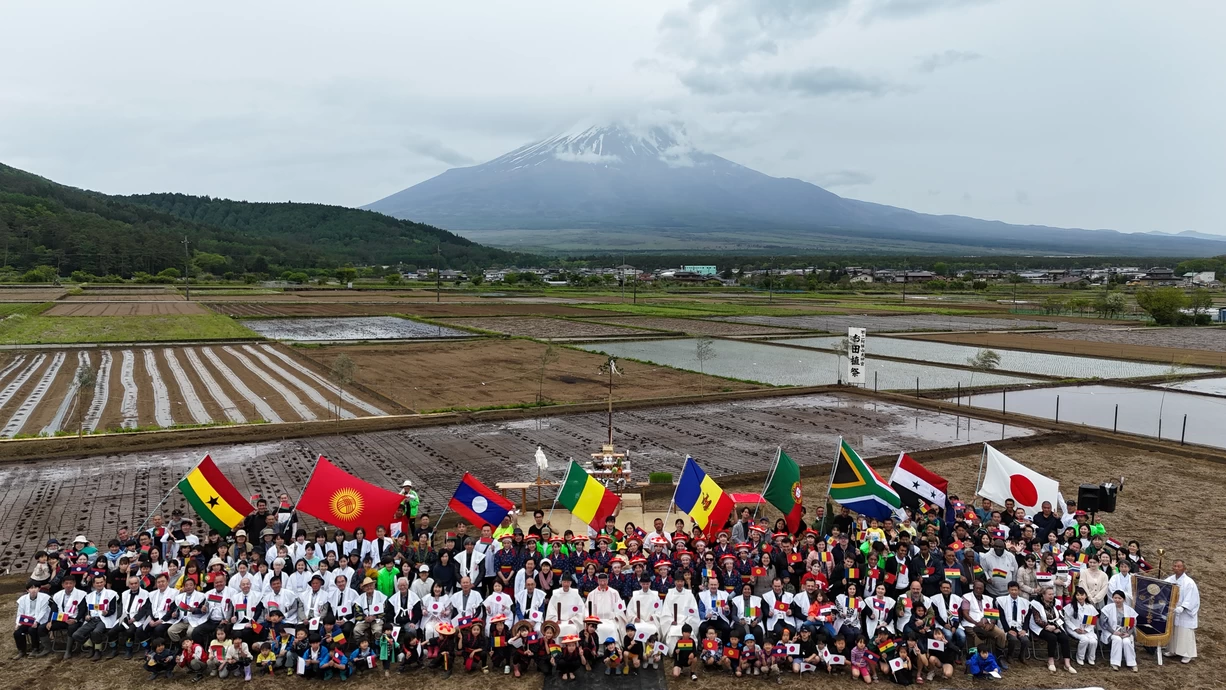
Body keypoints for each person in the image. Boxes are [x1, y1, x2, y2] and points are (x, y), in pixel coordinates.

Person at [1166, 559, 1199, 663]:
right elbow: (1163, 588)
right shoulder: (1170, 579)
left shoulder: (1189, 582)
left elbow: (1191, 598)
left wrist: (1183, 607)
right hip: (1173, 610)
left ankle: (1187, 654)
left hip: (1184, 612)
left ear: (1184, 568)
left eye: (1178, 566)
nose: (1176, 568)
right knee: (1174, 631)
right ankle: (1173, 650)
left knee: (1185, 633)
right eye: (1174, 566)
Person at [1099, 589, 1138, 672]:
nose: (1117, 600)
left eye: (1119, 598)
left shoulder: (1129, 610)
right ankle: (1115, 663)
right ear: (1112, 598)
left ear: (1123, 599)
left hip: (1125, 632)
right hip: (1112, 631)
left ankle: (1132, 663)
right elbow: (1103, 623)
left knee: (1127, 641)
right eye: (1115, 598)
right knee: (1117, 639)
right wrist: (1114, 632)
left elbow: (1133, 624)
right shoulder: (1107, 608)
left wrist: (1128, 633)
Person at [995, 580, 1031, 664]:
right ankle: (1010, 655)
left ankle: (1021, 656)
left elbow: (1027, 618)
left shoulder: (1025, 602)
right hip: (1007, 626)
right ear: (1008, 590)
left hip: (1020, 627)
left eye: (1015, 590)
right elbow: (1002, 617)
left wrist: (1024, 630)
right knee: (1013, 639)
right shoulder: (1001, 601)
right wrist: (1008, 630)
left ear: (1019, 590)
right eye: (1012, 590)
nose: (1014, 592)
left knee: (1025, 640)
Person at [13, 583, 51, 659]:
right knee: (17, 632)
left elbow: (43, 612)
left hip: (40, 619)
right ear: (27, 590)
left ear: (39, 589)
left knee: (32, 629)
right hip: (27, 620)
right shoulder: (23, 599)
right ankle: (22, 651)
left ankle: (35, 648)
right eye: (31, 588)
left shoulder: (44, 598)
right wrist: (18, 623)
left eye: (36, 587)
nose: (33, 590)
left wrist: (36, 622)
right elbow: (20, 613)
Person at [1063, 586, 1097, 666]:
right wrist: (1075, 629)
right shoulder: (1070, 606)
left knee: (1093, 641)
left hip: (1087, 629)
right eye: (1078, 595)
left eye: (1082, 595)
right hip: (1074, 629)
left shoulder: (1090, 607)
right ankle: (1080, 657)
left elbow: (1093, 621)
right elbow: (1067, 620)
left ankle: (1091, 658)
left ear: (1085, 596)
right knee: (1084, 639)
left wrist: (1087, 630)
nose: (1080, 597)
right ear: (1075, 596)